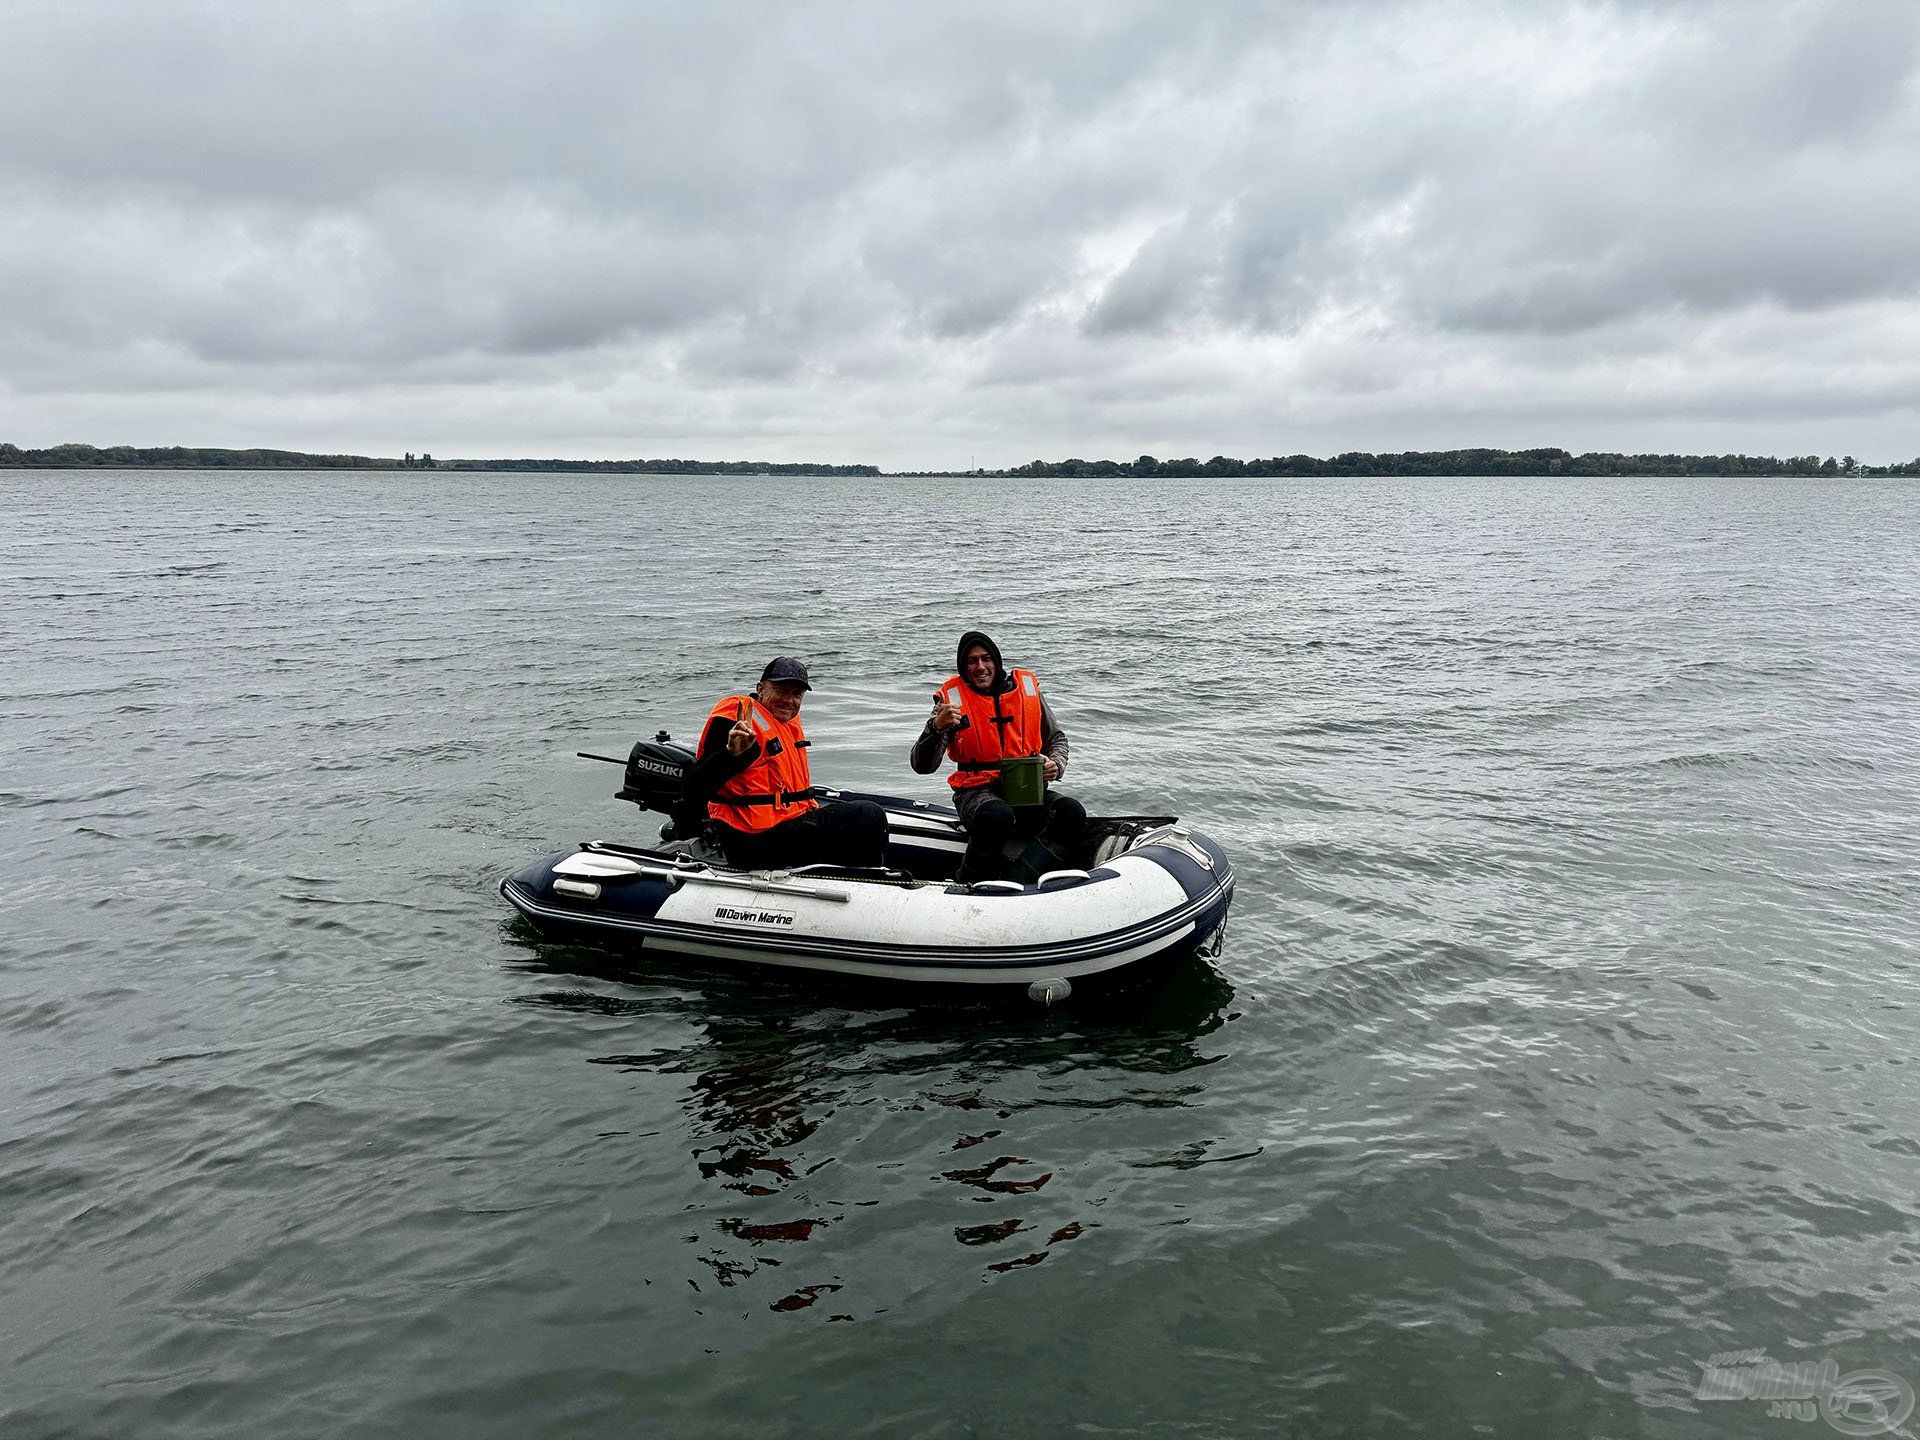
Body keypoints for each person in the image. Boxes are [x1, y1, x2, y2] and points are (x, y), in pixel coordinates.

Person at [910, 630, 1089, 885]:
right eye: (972, 661)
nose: (980, 667)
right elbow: (922, 765)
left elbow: (1057, 740)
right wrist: (935, 727)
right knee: (997, 815)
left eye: (986, 659)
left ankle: (1021, 876)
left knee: (1071, 811)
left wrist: (1055, 765)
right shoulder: (950, 703)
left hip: (1025, 791)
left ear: (996, 660)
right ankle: (967, 884)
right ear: (963, 666)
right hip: (976, 795)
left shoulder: (1027, 690)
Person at [683, 657, 888, 871]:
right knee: (868, 815)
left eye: (796, 694)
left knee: (856, 816)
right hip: (753, 839)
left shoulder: (784, 720)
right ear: (760, 689)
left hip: (785, 825)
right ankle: (868, 885)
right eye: (781, 690)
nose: (789, 700)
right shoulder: (738, 721)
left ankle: (854, 879)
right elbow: (692, 788)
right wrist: (730, 754)